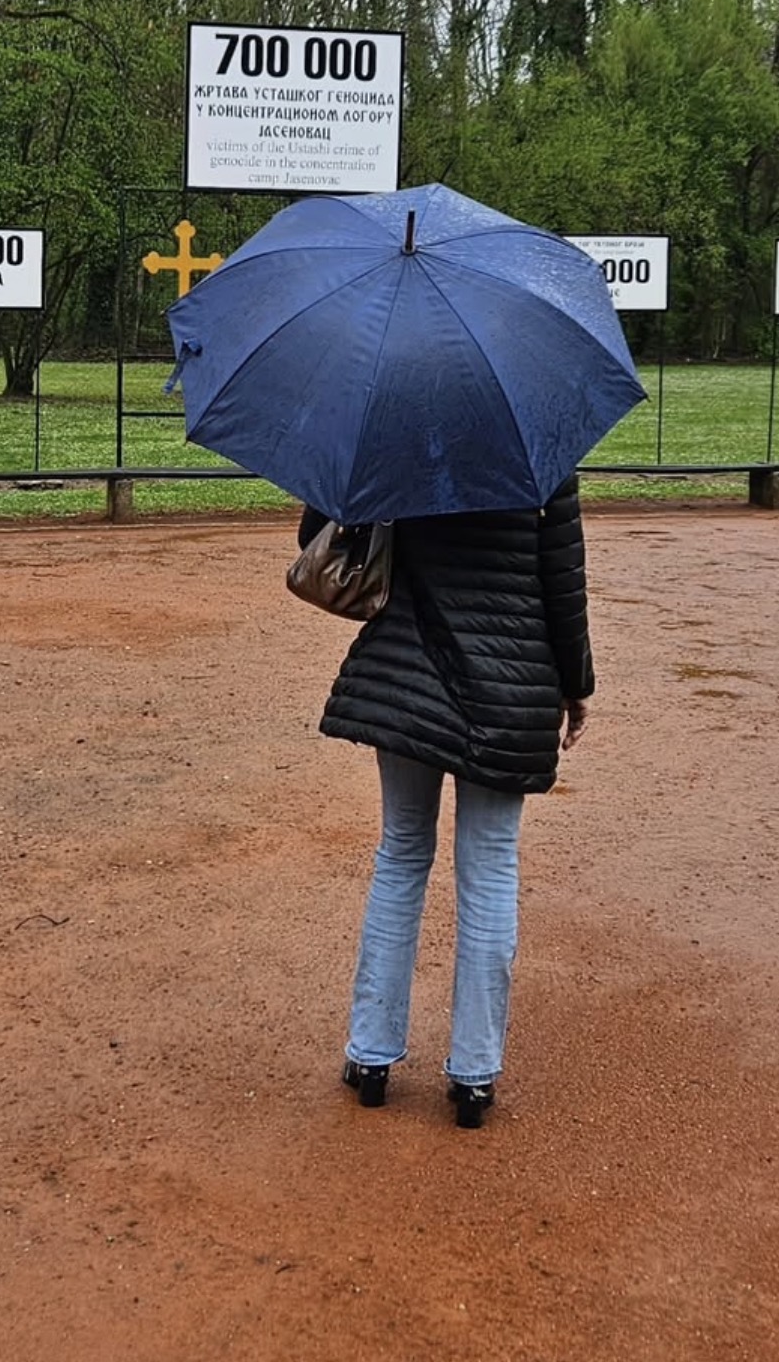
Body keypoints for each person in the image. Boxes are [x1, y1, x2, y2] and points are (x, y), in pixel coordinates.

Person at [299, 474, 593, 1130]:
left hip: (406, 669)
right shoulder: (541, 436)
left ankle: (371, 1058)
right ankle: (474, 1077)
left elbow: (313, 536)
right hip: (510, 685)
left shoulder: (388, 421)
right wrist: (576, 685)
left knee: (401, 851)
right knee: (489, 868)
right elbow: (561, 576)